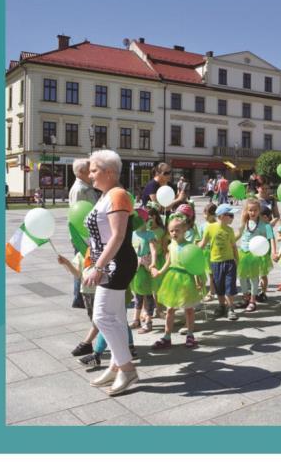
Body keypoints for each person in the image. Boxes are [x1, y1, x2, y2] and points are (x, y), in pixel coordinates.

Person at [82, 149, 139, 396]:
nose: (90, 175)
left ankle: (126, 369)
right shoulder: (106, 195)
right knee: (113, 317)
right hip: (110, 264)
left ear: (109, 172)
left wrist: (98, 266)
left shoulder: (117, 195)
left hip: (117, 265)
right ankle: (117, 366)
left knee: (103, 316)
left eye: (94, 170)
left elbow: (118, 236)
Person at [150, 216, 203, 349]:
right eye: (172, 230)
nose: (174, 233)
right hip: (173, 278)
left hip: (186, 279)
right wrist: (160, 272)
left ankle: (190, 335)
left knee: (189, 309)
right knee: (170, 309)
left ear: (184, 230)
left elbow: (194, 264)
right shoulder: (171, 245)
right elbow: (168, 262)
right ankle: (167, 336)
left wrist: (198, 279)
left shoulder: (190, 246)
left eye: (177, 230)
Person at [67, 158, 99, 309]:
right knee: (83, 265)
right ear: (80, 173)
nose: (93, 173)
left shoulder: (86, 187)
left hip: (86, 233)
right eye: (90, 170)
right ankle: (79, 298)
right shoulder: (80, 189)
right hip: (82, 235)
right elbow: (78, 214)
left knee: (85, 264)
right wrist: (82, 237)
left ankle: (81, 296)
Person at [199, 203, 239, 320]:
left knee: (229, 286)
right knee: (219, 287)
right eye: (230, 215)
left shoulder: (230, 230)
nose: (232, 217)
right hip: (215, 262)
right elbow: (203, 243)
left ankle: (231, 308)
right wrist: (193, 252)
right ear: (221, 216)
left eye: (232, 215)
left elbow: (234, 246)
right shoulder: (210, 228)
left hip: (229, 262)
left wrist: (237, 260)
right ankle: (222, 306)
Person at [235, 199, 268, 313]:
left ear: (259, 211)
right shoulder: (245, 223)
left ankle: (253, 300)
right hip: (244, 253)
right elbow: (239, 234)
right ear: (247, 211)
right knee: (242, 277)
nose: (252, 212)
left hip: (255, 255)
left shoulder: (262, 225)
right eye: (250, 210)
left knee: (254, 278)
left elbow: (266, 239)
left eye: (255, 210)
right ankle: (246, 298)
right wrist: (230, 241)